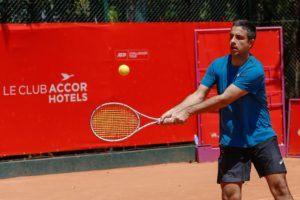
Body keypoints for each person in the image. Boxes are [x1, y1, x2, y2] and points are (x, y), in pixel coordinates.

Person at [160, 20, 294, 200]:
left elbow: (224, 99)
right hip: (231, 141)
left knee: (280, 188)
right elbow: (199, 94)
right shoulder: (217, 65)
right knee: (230, 194)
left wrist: (188, 112)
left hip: (261, 137)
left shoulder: (255, 69)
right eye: (231, 36)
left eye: (239, 38)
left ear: (251, 42)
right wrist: (174, 110)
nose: (233, 41)